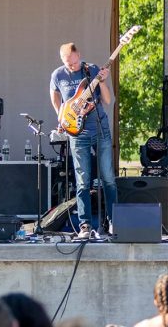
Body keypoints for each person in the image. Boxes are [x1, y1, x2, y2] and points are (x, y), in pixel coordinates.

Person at [50, 42, 118, 240]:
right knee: (82, 181)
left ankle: (114, 221)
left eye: (73, 61)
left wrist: (103, 82)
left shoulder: (93, 70)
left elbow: (107, 100)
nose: (71, 66)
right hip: (77, 133)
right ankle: (85, 225)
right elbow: (55, 97)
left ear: (78, 54)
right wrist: (62, 116)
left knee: (108, 177)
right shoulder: (58, 75)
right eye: (67, 63)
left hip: (100, 129)